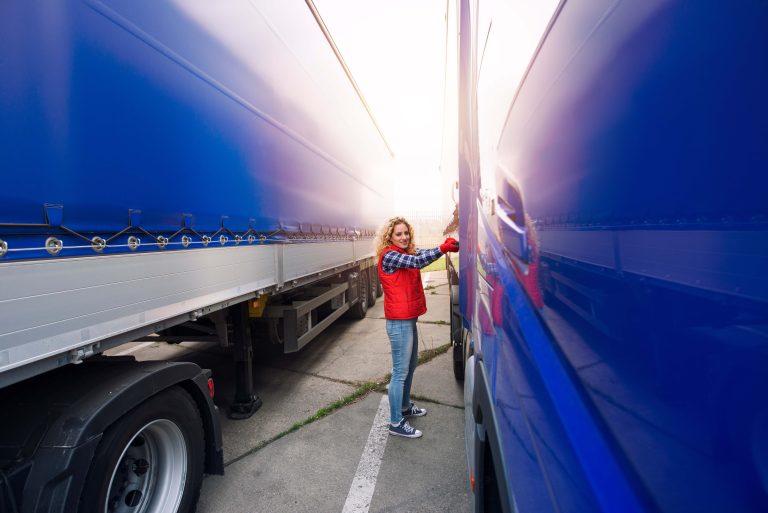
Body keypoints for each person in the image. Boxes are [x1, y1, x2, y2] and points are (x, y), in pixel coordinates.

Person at [375, 216, 459, 438]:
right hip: (399, 322)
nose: (404, 237)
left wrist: (444, 246)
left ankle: (404, 407)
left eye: (406, 233)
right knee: (400, 372)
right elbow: (416, 262)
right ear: (389, 237)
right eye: (398, 234)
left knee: (410, 366)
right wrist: (443, 249)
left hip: (408, 318)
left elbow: (421, 254)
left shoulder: (405, 252)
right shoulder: (390, 256)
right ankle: (395, 422)